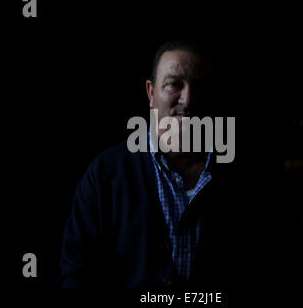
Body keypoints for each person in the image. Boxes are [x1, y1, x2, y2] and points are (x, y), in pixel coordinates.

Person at [57, 40, 239, 289]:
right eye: (174, 84)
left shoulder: (245, 173)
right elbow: (75, 276)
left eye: (201, 86)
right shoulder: (104, 176)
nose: (188, 99)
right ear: (151, 93)